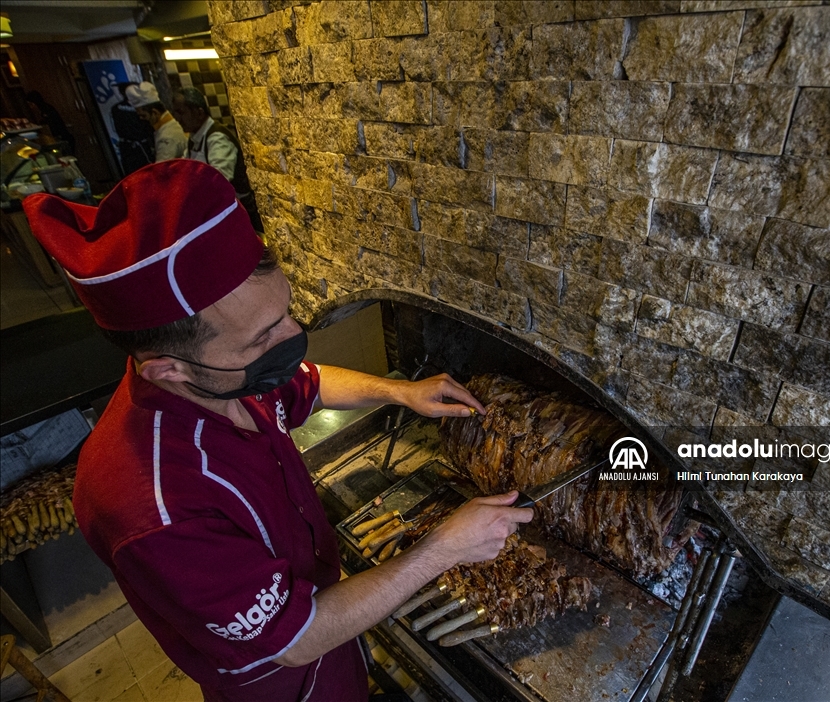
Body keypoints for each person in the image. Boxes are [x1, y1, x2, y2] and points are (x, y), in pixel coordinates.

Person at [23, 160, 532, 702]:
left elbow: (305, 384)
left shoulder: (224, 379)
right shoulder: (152, 508)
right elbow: (296, 637)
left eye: (286, 312)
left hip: (331, 631)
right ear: (168, 369)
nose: (293, 338)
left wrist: (400, 392)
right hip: (281, 683)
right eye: (263, 337)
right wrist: (443, 548)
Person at [172, 87, 263, 232]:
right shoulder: (194, 139)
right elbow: (183, 171)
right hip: (217, 214)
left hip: (239, 214)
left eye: (181, 112)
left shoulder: (217, 138)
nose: (177, 118)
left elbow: (219, 180)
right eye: (175, 113)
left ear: (199, 112)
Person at [125, 82, 186, 163]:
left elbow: (161, 171)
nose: (141, 119)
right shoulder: (169, 126)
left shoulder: (166, 137)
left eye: (143, 116)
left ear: (155, 113)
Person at [111, 82, 155, 176]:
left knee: (132, 175)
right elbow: (147, 127)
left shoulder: (115, 108)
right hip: (141, 146)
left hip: (127, 147)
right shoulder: (141, 108)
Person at [24, 91, 75, 155]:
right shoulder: (44, 110)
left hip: (63, 139)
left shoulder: (47, 110)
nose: (31, 107)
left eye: (31, 104)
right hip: (62, 139)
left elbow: (53, 126)